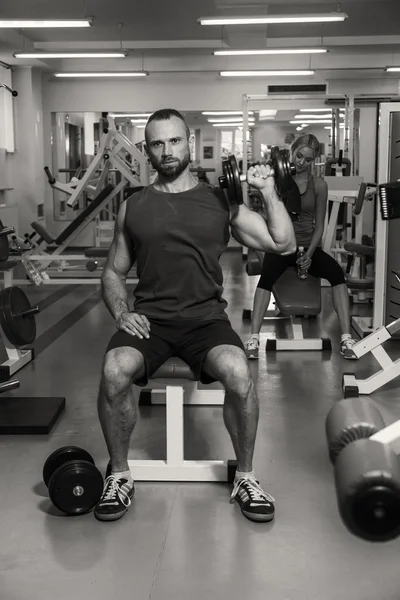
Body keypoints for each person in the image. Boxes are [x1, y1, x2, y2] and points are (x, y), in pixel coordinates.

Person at [94, 108, 296, 523]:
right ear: (147, 151)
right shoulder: (133, 207)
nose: (166, 151)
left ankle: (246, 475)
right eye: (157, 143)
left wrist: (269, 190)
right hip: (150, 321)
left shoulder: (222, 203)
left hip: (206, 321)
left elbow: (283, 243)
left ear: (189, 141)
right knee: (114, 371)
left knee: (240, 375)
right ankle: (118, 474)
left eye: (174, 141)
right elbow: (113, 271)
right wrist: (120, 312)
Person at [244, 133, 359, 361]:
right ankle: (254, 338)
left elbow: (319, 225)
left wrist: (310, 252)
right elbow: (269, 216)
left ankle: (347, 338)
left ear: (314, 160)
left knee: (337, 275)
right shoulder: (278, 181)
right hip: (282, 246)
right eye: (299, 156)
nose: (301, 162)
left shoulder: (319, 185)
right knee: (266, 278)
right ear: (292, 151)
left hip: (308, 246)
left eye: (307, 159)